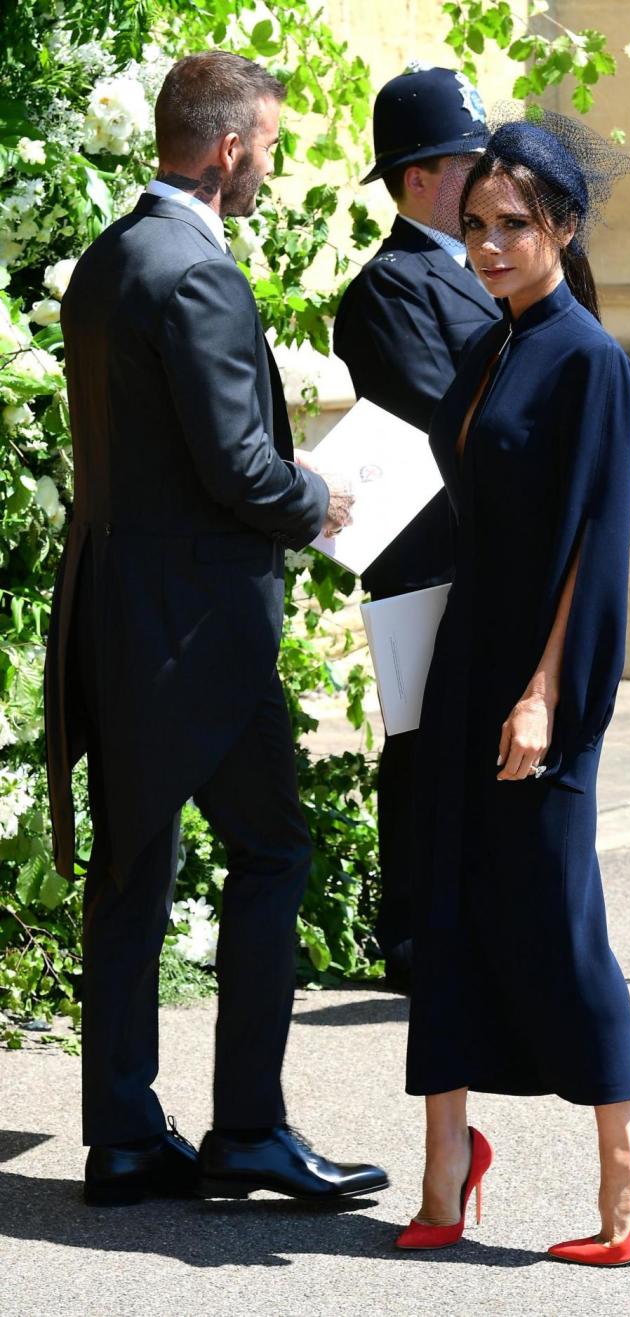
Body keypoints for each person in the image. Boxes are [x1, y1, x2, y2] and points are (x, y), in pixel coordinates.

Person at [45, 50, 387, 1206]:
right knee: (274, 850)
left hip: (115, 605)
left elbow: (151, 455)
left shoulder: (106, 260)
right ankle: (247, 1128)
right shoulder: (196, 271)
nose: (270, 168)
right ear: (229, 148)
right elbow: (237, 467)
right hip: (200, 627)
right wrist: (316, 499)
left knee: (131, 874)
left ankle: (127, 1138)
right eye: (271, 148)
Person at [394, 112, 630, 1266]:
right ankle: (446, 1165)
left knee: (558, 919)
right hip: (466, 659)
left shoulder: (593, 361)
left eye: (514, 226)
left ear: (564, 225)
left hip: (538, 675)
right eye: (474, 227)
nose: (489, 246)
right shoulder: (487, 346)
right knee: (445, 908)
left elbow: (592, 545)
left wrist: (546, 695)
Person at [334, 65, 499, 990]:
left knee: (479, 746)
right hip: (428, 555)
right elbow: (453, 413)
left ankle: (471, 921)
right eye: (470, 164)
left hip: (484, 548)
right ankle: (414, 932)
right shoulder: (390, 287)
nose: (488, 180)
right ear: (420, 179)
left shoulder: (487, 270)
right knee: (428, 746)